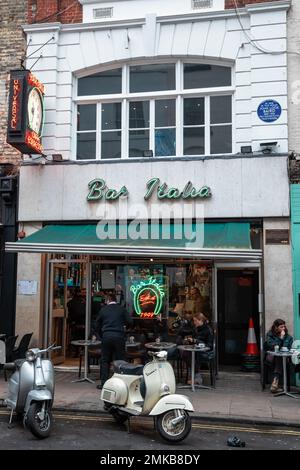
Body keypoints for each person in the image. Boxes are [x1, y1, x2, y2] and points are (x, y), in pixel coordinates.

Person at [95, 293, 133, 390]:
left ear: (107, 300)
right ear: (115, 300)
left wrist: (100, 336)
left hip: (106, 336)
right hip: (119, 336)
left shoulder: (103, 310)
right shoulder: (121, 309)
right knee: (120, 360)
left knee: (105, 360)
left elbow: (96, 325)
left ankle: (104, 383)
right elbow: (130, 322)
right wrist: (125, 328)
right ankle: (121, 383)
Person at [264, 319, 293, 393]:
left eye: (284, 326)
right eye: (281, 327)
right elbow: (272, 345)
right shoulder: (270, 335)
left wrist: (284, 339)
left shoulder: (289, 337)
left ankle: (275, 382)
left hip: (283, 358)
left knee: (279, 358)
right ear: (276, 327)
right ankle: (275, 381)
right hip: (271, 357)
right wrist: (280, 338)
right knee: (278, 358)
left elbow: (288, 348)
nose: (284, 328)